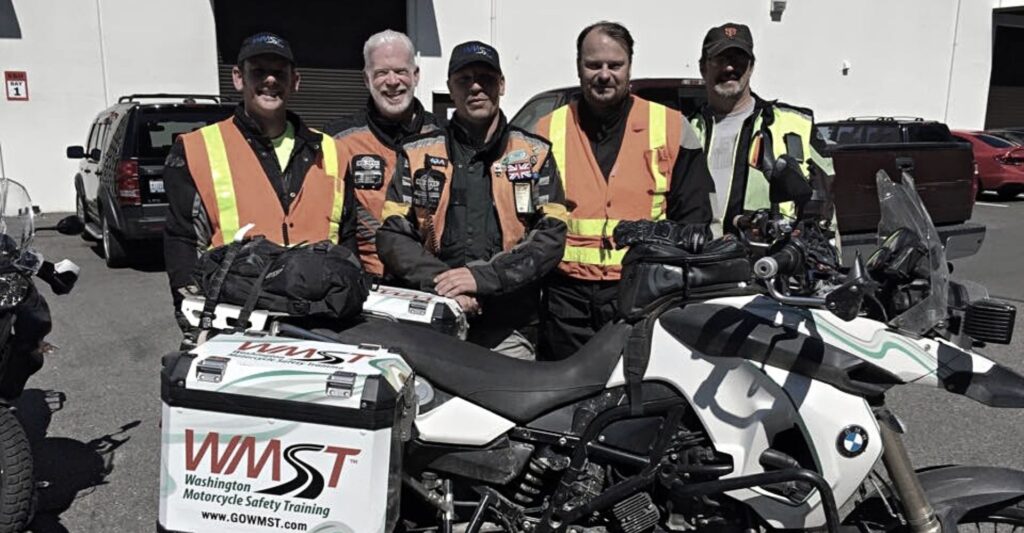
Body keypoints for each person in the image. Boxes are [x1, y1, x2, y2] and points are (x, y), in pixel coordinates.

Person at [376, 41, 568, 360]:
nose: (476, 87)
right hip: (431, 320)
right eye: (465, 79)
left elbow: (550, 238)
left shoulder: (535, 154)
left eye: (486, 78)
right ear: (450, 89)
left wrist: (482, 278)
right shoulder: (417, 153)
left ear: (502, 85)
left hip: (509, 328)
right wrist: (447, 285)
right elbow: (392, 235)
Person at [533, 21, 714, 360]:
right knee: (568, 400)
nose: (604, 74)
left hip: (643, 294)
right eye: (593, 65)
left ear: (630, 66)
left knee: (636, 397)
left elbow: (696, 220)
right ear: (578, 66)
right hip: (566, 301)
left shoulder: (673, 127)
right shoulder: (546, 130)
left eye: (615, 65)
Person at [163, 32, 357, 327]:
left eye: (279, 72)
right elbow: (183, 239)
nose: (270, 80)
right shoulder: (197, 149)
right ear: (239, 78)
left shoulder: (333, 150)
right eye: (259, 71)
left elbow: (348, 236)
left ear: (295, 81)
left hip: (322, 316)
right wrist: (189, 308)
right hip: (237, 316)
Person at [690, 22, 834, 237]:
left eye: (738, 60)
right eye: (720, 60)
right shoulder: (683, 130)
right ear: (703, 67)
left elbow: (828, 205)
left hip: (771, 260)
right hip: (699, 260)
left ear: (751, 66)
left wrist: (826, 256)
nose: (730, 68)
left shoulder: (795, 124)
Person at [324, 30, 444, 277]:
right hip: (364, 286)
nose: (392, 81)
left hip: (434, 282)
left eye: (400, 71)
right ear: (366, 79)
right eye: (381, 73)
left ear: (416, 75)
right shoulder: (336, 140)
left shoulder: (444, 138)